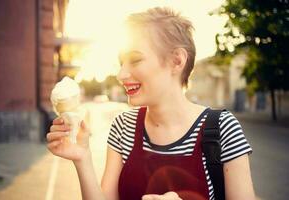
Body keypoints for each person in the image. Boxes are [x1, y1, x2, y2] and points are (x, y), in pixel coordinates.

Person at [46, 7, 256, 200]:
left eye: (135, 60)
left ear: (177, 61)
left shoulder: (222, 129)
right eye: (121, 63)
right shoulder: (123, 126)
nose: (121, 74)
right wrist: (83, 158)